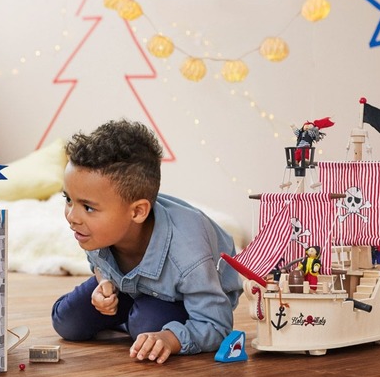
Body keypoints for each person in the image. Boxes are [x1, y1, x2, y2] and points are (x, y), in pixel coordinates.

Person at [51, 119, 242, 364]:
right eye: (68, 199)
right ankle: (129, 316)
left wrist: (170, 339)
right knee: (66, 322)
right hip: (130, 287)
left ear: (138, 211)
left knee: (147, 326)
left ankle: (135, 319)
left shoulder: (189, 256)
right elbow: (99, 264)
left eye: (87, 207)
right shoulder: (97, 231)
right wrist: (104, 283)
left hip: (185, 298)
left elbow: (217, 325)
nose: (72, 216)